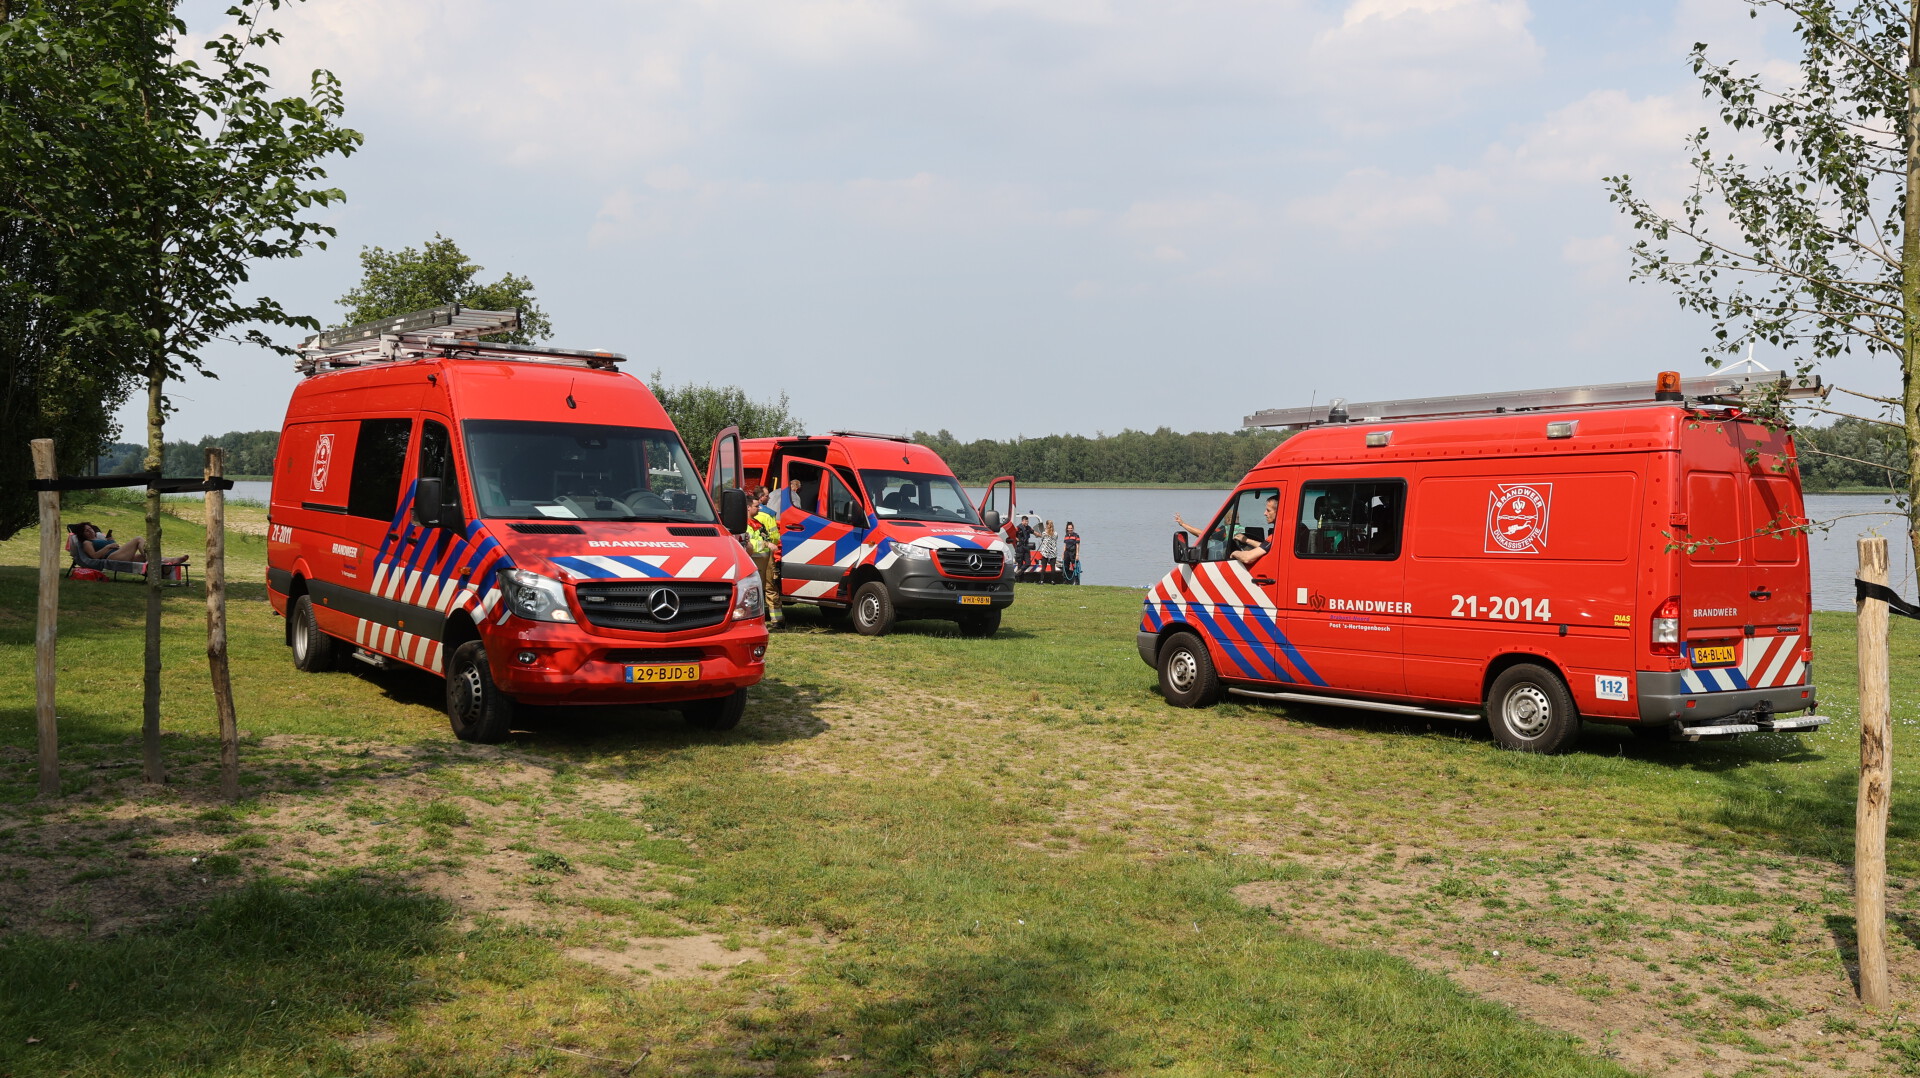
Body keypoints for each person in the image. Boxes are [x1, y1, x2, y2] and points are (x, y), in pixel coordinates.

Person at [1174, 494, 1278, 567]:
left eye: (1268, 510)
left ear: (1228, 520)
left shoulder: (1225, 530)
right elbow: (1268, 546)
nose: (1265, 513)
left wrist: (1183, 524)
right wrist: (1246, 540)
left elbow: (1203, 535)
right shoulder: (1245, 530)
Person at [746, 489, 782, 628]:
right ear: (748, 507)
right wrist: (767, 544)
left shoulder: (756, 522)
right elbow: (748, 543)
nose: (759, 507)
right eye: (756, 506)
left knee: (767, 587)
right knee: (756, 590)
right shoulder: (746, 524)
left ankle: (776, 620)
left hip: (764, 558)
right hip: (755, 559)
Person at [70, 521, 144, 562]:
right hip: (112, 557)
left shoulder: (100, 539)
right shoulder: (87, 542)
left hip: (119, 554)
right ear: (82, 534)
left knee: (147, 557)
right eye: (87, 531)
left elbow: (113, 546)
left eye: (90, 528)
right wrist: (108, 546)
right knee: (138, 539)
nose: (91, 531)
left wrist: (111, 541)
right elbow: (94, 556)